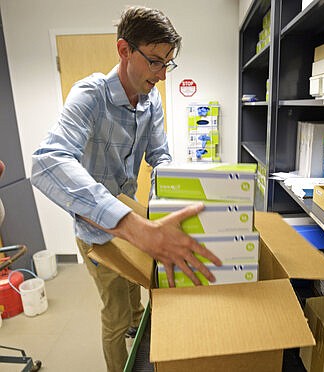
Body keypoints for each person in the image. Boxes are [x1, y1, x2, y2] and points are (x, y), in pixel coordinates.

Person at [31, 6, 221, 372]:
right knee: (116, 315)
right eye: (154, 62)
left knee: (136, 299)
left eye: (168, 63)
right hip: (95, 226)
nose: (162, 75)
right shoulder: (90, 95)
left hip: (132, 214)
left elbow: (161, 156)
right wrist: (137, 228)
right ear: (124, 50)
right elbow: (47, 161)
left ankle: (138, 345)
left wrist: (173, 199)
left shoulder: (151, 102)